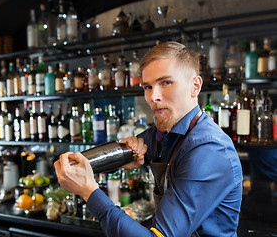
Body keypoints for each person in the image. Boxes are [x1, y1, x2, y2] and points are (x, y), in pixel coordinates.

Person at [54, 41, 243, 237]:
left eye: (166, 82)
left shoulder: (208, 149)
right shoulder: (168, 132)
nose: (154, 96)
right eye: (147, 87)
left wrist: (89, 192)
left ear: (195, 86)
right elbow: (129, 148)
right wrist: (81, 162)